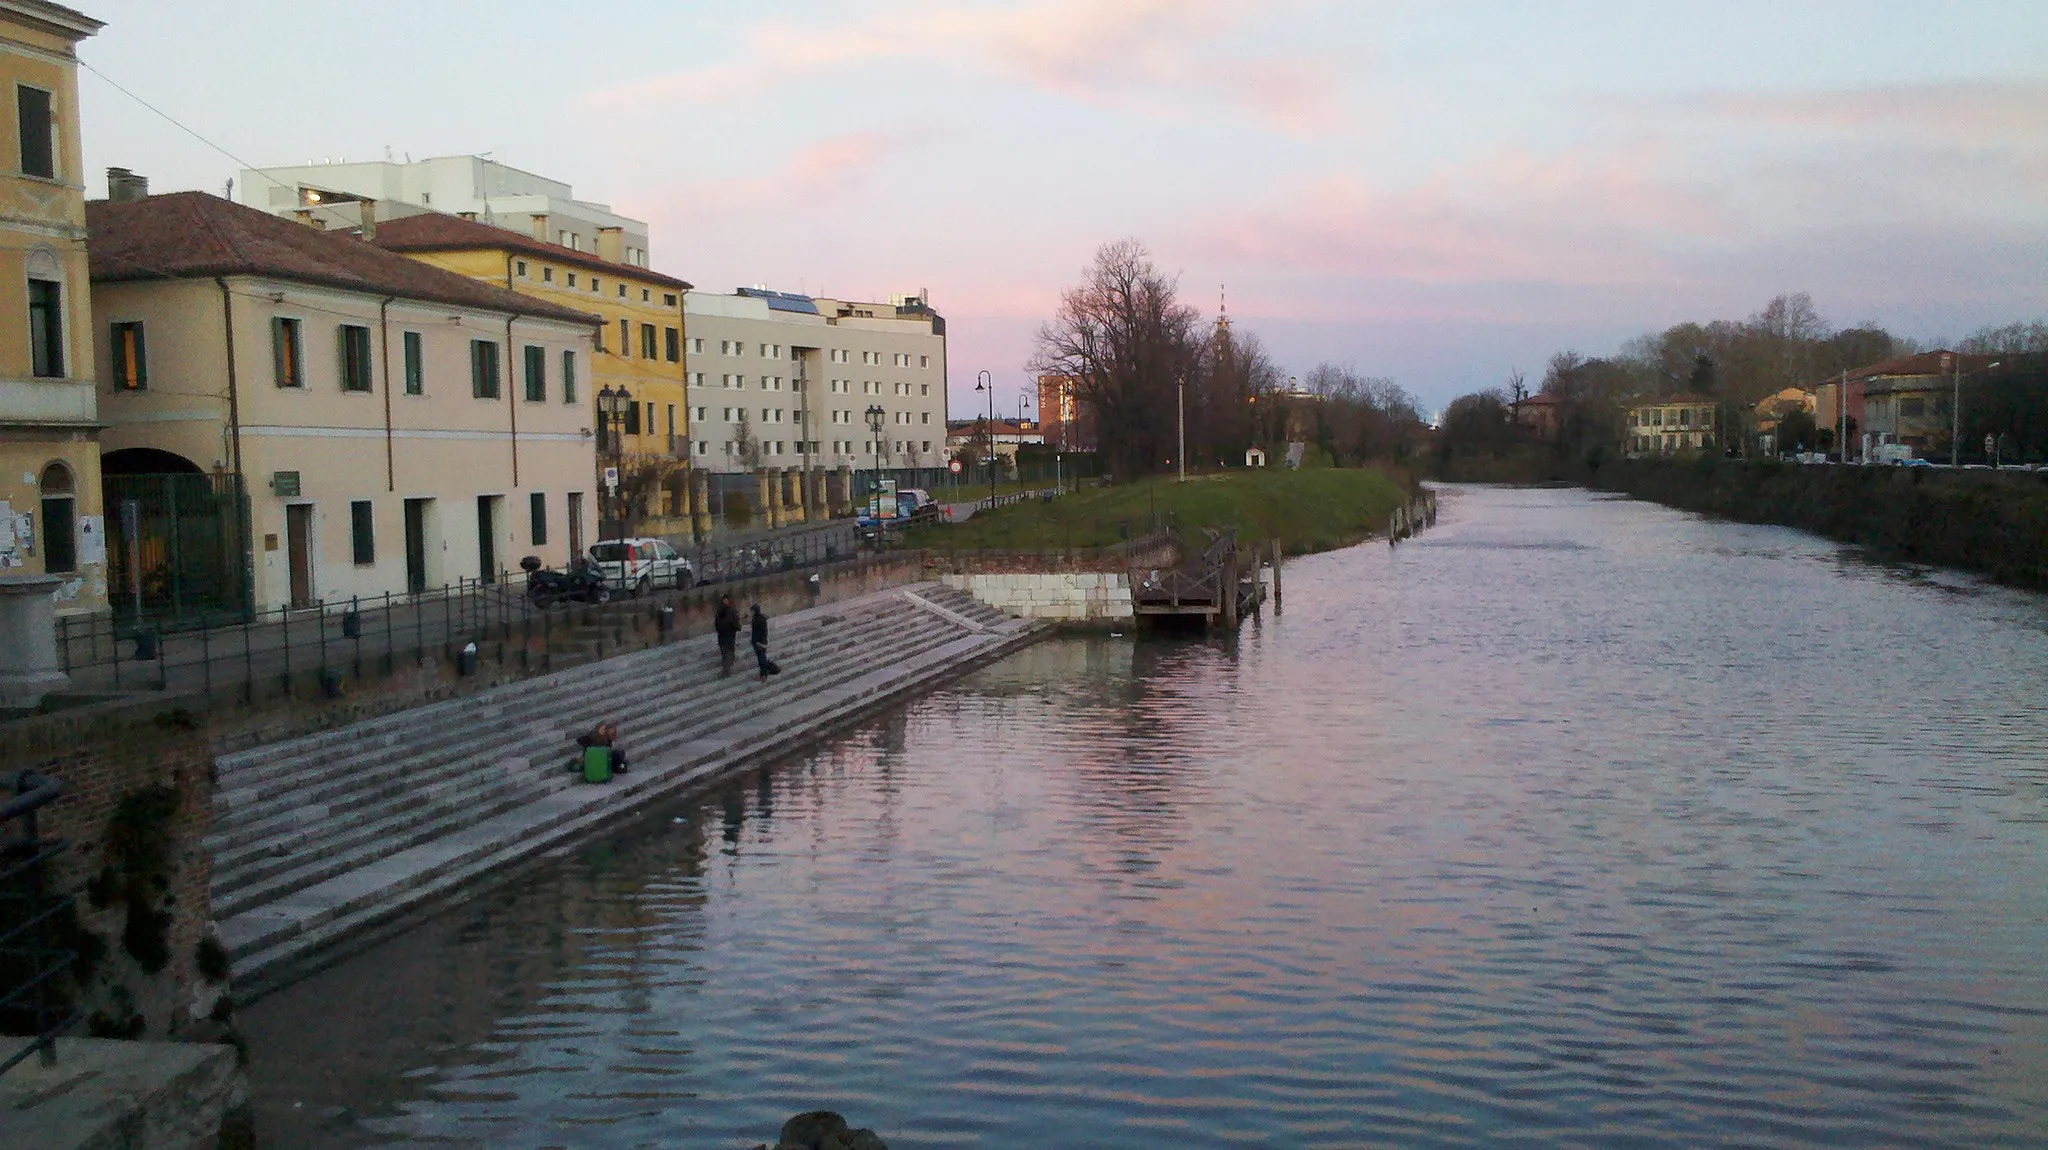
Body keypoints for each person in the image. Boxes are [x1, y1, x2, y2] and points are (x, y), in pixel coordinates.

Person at [750, 603, 780, 681]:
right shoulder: (762, 618)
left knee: (762, 660)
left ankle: (767, 672)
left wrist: (754, 642)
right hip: (763, 642)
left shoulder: (756, 620)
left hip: (758, 643)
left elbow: (756, 633)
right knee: (762, 659)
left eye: (752, 611)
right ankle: (764, 674)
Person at [714, 594, 742, 676]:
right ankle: (727, 666)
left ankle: (727, 666)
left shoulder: (731, 609)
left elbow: (736, 621)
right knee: (726, 650)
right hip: (725, 634)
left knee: (728, 650)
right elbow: (717, 623)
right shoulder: (721, 610)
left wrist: (737, 627)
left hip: (728, 634)